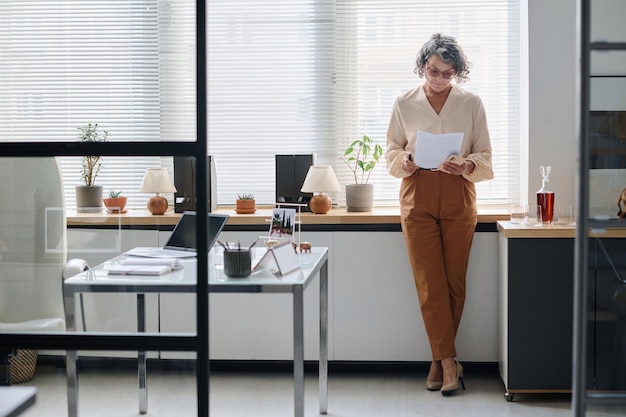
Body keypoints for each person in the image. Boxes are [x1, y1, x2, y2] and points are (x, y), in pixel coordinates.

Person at [385, 33, 493, 396]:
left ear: (457, 73)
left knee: (453, 282)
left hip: (458, 192)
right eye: (433, 70)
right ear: (423, 67)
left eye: (448, 73)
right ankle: (449, 363)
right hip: (417, 192)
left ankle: (438, 358)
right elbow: (391, 152)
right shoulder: (404, 103)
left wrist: (465, 164)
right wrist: (404, 161)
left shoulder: (471, 103)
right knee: (429, 283)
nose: (439, 78)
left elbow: (486, 159)